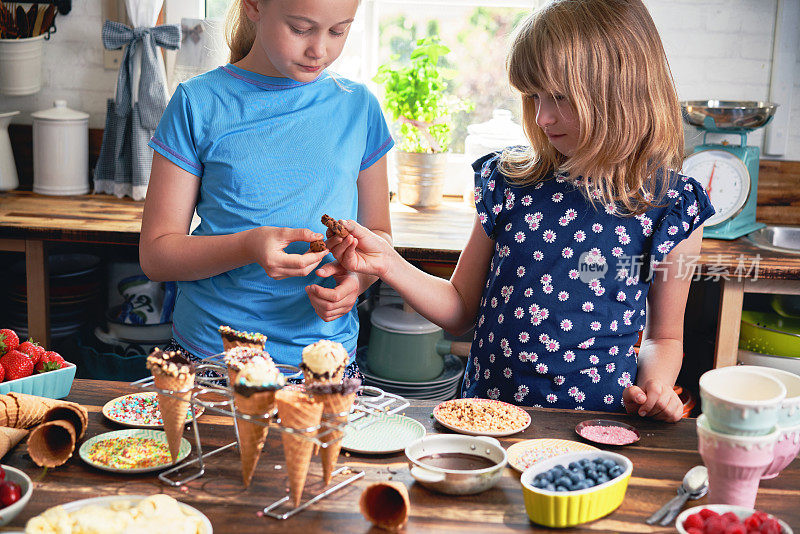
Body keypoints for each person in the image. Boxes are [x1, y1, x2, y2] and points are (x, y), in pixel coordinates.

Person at [324, 0, 714, 421]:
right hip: (486, 416)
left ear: (620, 89)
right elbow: (458, 310)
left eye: (560, 97)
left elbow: (664, 338)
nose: (543, 117)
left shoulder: (670, 207)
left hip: (596, 424)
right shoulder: (510, 182)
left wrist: (655, 386)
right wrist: (387, 263)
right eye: (533, 97)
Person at [139, 0, 393, 370]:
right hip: (212, 358)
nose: (320, 50)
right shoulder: (197, 103)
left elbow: (380, 237)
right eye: (301, 29)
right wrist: (248, 246)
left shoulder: (360, 108)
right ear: (255, 6)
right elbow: (156, 256)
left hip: (323, 362)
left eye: (338, 31)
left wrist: (358, 279)